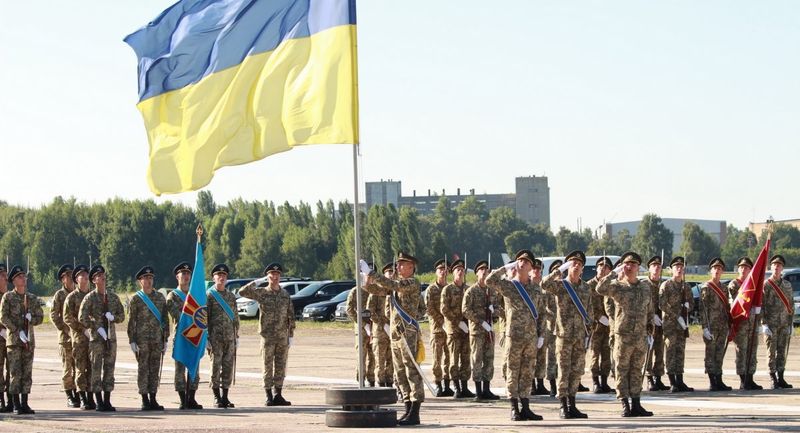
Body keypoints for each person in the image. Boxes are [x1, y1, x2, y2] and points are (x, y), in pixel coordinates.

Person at [362, 252, 424, 426]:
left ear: (411, 267)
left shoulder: (412, 282)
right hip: (396, 334)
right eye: (398, 264)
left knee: (412, 371)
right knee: (400, 373)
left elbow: (391, 285)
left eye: (402, 264)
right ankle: (407, 408)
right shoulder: (397, 285)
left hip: (408, 333)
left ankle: (415, 412)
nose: (397, 266)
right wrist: (366, 280)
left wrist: (373, 273)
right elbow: (377, 290)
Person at [486, 250, 545, 422]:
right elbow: (490, 281)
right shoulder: (509, 286)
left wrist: (541, 334)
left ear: (531, 267)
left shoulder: (535, 289)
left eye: (526, 262)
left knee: (527, 372)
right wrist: (505, 268)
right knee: (512, 371)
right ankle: (514, 408)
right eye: (519, 261)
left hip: (531, 338)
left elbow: (540, 313)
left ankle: (525, 408)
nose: (522, 263)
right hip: (514, 336)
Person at [596, 252, 654, 417]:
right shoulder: (617, 286)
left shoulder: (645, 287)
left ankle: (636, 403)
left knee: (636, 370)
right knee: (621, 370)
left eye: (633, 264)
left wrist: (650, 327)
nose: (630, 267)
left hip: (640, 336)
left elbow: (649, 309)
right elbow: (600, 288)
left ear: (638, 268)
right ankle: (625, 404)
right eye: (627, 264)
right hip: (623, 336)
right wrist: (615, 272)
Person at [541, 250, 593, 419]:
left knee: (576, 371)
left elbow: (589, 311)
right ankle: (563, 406)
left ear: (582, 268)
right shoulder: (561, 285)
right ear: (568, 266)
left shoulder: (586, 288)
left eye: (578, 263)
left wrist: (589, 330)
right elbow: (544, 283)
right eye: (572, 263)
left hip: (579, 336)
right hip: (563, 336)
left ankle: (572, 404)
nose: (576, 266)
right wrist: (559, 270)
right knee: (564, 371)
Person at [239, 263, 295, 406]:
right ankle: (268, 395)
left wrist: (291, 335)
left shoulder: (285, 294)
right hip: (267, 336)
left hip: (282, 336)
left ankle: (278, 394)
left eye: (277, 275)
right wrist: (257, 281)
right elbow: (242, 292)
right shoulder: (263, 293)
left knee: (281, 366)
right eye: (272, 275)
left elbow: (291, 315)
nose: (275, 277)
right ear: (268, 276)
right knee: (267, 366)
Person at [79, 265, 125, 411]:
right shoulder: (90, 298)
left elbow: (122, 316)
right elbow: (82, 317)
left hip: (111, 339)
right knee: (96, 370)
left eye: (103, 275)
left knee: (109, 369)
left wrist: (113, 318)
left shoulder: (112, 297)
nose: (102, 277)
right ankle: (98, 401)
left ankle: (107, 400)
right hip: (96, 340)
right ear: (94, 280)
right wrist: (94, 326)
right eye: (99, 275)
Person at [0, 265, 43, 415]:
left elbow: (40, 317)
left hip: (28, 342)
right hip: (14, 342)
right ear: (13, 280)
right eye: (19, 277)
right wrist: (16, 331)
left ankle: (25, 403)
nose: (23, 279)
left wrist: (32, 319)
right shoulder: (8, 297)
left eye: (24, 276)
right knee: (15, 373)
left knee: (27, 373)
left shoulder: (31, 298)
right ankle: (16, 404)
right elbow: (3, 317)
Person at [127, 265, 169, 411]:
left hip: (157, 339)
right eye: (146, 278)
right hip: (142, 340)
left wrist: (165, 338)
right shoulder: (136, 299)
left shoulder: (159, 298)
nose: (149, 281)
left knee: (154, 369)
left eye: (151, 278)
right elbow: (132, 321)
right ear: (140, 281)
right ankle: (144, 399)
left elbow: (165, 319)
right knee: (143, 369)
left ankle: (153, 398)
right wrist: (132, 340)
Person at [461, 259, 500, 401]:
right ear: (477, 274)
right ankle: (478, 391)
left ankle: (486, 389)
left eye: (487, 271)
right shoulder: (471, 291)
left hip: (489, 330)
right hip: (477, 331)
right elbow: (465, 310)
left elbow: (499, 308)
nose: (484, 273)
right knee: (477, 359)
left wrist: (494, 312)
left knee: (489, 359)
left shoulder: (492, 291)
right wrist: (480, 321)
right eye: (481, 270)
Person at [166, 261, 203, 409]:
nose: (186, 277)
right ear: (177, 276)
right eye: (183, 274)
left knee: (194, 367)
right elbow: (177, 315)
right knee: (180, 369)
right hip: (181, 336)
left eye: (188, 274)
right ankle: (183, 399)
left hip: (195, 335)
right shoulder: (173, 296)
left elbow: (201, 315)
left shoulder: (195, 295)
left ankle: (192, 398)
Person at [206, 263, 239, 408]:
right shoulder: (209, 296)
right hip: (215, 338)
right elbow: (204, 318)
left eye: (224, 276)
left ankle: (225, 396)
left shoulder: (231, 296)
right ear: (213, 278)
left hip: (229, 337)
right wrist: (206, 337)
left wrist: (236, 335)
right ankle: (216, 396)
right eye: (218, 275)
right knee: (215, 366)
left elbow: (235, 317)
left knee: (227, 367)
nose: (221, 278)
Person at [659, 256, 694, 392]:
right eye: (676, 267)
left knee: (680, 352)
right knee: (671, 352)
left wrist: (687, 307)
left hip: (682, 326)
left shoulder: (686, 286)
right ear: (671, 269)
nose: (679, 269)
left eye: (681, 267)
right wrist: (676, 316)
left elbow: (691, 303)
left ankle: (680, 381)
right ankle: (672, 381)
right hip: (670, 325)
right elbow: (662, 304)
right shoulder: (666, 285)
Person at [727, 257, 762, 390]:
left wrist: (759, 320)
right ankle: (743, 380)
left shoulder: (754, 286)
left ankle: (750, 378)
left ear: (750, 270)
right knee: (742, 352)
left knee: (752, 352)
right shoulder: (734, 284)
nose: (743, 269)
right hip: (740, 324)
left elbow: (759, 303)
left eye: (746, 267)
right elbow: (735, 304)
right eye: (741, 267)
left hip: (752, 323)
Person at [440, 259, 474, 398]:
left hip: (467, 331)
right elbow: (444, 309)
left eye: (462, 270)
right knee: (453, 359)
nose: (460, 272)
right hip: (454, 330)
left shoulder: (468, 289)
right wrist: (458, 321)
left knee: (466, 359)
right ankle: (456, 388)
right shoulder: (447, 289)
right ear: (453, 273)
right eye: (457, 270)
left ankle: (465, 386)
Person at [64, 264, 95, 410]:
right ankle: (82, 397)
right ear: (76, 279)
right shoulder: (72, 297)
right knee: (80, 368)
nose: (85, 277)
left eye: (86, 274)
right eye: (81, 275)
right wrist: (82, 329)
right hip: (79, 339)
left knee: (92, 368)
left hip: (93, 339)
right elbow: (67, 317)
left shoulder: (93, 295)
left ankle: (91, 396)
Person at [699, 257, 732, 391]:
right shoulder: (707, 287)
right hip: (711, 326)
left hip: (722, 325)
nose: (717, 271)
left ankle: (719, 379)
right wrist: (705, 327)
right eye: (715, 269)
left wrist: (729, 324)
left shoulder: (724, 288)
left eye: (719, 269)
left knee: (719, 353)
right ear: (711, 271)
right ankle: (712, 380)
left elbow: (727, 307)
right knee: (710, 354)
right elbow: (703, 309)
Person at [51, 264, 81, 407]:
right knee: (67, 368)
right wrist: (65, 329)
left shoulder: (78, 293)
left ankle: (78, 392)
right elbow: (54, 315)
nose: (71, 278)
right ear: (63, 279)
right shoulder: (60, 295)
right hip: (65, 338)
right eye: (68, 276)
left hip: (78, 337)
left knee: (79, 367)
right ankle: (69, 394)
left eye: (72, 275)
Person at [762, 254, 794, 389]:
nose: (776, 267)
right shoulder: (766, 284)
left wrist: (791, 323)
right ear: (771, 267)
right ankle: (772, 377)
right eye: (774, 265)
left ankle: (781, 377)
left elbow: (790, 305)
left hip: (784, 323)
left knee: (782, 351)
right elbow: (761, 304)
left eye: (779, 265)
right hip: (771, 324)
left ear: (782, 268)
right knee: (771, 352)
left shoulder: (787, 285)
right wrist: (763, 323)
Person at [424, 259, 453, 397]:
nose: (443, 271)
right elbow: (429, 309)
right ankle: (438, 384)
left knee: (449, 358)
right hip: (437, 329)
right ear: (436, 272)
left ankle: (447, 384)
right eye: (440, 269)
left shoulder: (449, 288)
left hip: (450, 330)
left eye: (445, 269)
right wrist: (442, 321)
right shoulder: (431, 289)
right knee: (437, 359)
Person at [587, 256, 613, 394]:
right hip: (595, 326)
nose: (603, 269)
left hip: (609, 326)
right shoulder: (589, 285)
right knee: (595, 354)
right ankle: (595, 382)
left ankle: (604, 381)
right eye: (601, 266)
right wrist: (598, 317)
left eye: (607, 267)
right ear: (596, 268)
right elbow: (587, 305)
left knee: (607, 354)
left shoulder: (611, 285)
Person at [346, 266, 376, 387]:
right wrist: (363, 325)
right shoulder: (356, 291)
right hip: (362, 330)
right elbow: (349, 309)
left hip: (375, 328)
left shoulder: (376, 291)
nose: (368, 278)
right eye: (365, 275)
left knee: (373, 356)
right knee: (361, 357)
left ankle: (372, 379)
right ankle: (361, 380)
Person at [643, 256, 669, 391]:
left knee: (659, 351)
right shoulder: (644, 285)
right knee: (649, 351)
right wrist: (651, 315)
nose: (657, 268)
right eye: (654, 266)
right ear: (649, 268)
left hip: (662, 323)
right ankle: (649, 379)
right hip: (649, 324)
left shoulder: (663, 285)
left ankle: (658, 378)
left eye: (659, 266)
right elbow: (642, 304)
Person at [368, 263, 394, 388]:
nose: (391, 275)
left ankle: (389, 383)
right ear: (384, 275)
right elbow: (371, 312)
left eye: (393, 272)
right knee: (380, 361)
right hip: (380, 332)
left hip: (393, 331)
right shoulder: (377, 292)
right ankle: (380, 384)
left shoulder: (394, 292)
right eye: (389, 273)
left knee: (392, 361)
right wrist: (383, 324)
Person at [0, 264, 10, 413]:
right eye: (2, 276)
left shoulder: (10, 295)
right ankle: (1, 399)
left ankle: (11, 400)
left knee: (11, 370)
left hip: (11, 338)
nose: (5, 279)